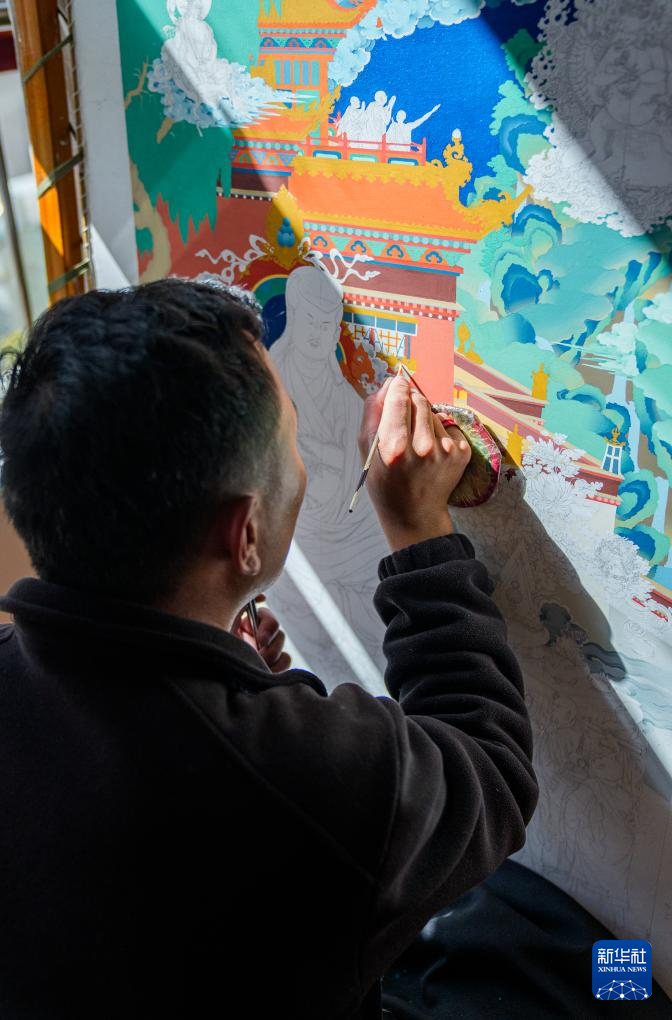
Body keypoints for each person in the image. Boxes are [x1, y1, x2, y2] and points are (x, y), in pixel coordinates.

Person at [0, 280, 537, 1019]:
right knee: (606, 974)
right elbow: (490, 771)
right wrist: (418, 532)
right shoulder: (304, 778)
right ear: (244, 534)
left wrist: (216, 675)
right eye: (293, 439)